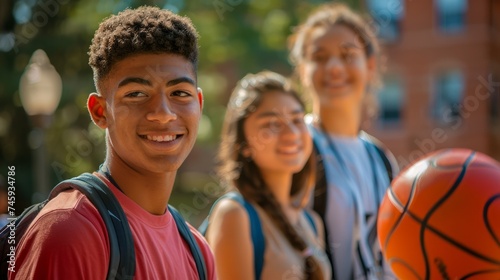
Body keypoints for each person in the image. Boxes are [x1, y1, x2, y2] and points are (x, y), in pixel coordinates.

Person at [10, 6, 216, 280]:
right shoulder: (71, 229)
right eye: (137, 94)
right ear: (99, 112)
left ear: (199, 105)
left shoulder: (198, 252)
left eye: (179, 92)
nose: (163, 113)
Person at [288, 4, 399, 280]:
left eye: (348, 55)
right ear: (303, 70)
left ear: (370, 65)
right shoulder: (293, 145)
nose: (335, 67)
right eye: (320, 57)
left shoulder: (382, 158)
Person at [203, 71, 331, 280]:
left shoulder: (312, 222)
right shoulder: (235, 215)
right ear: (243, 145)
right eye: (272, 124)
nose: (291, 133)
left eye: (297, 120)